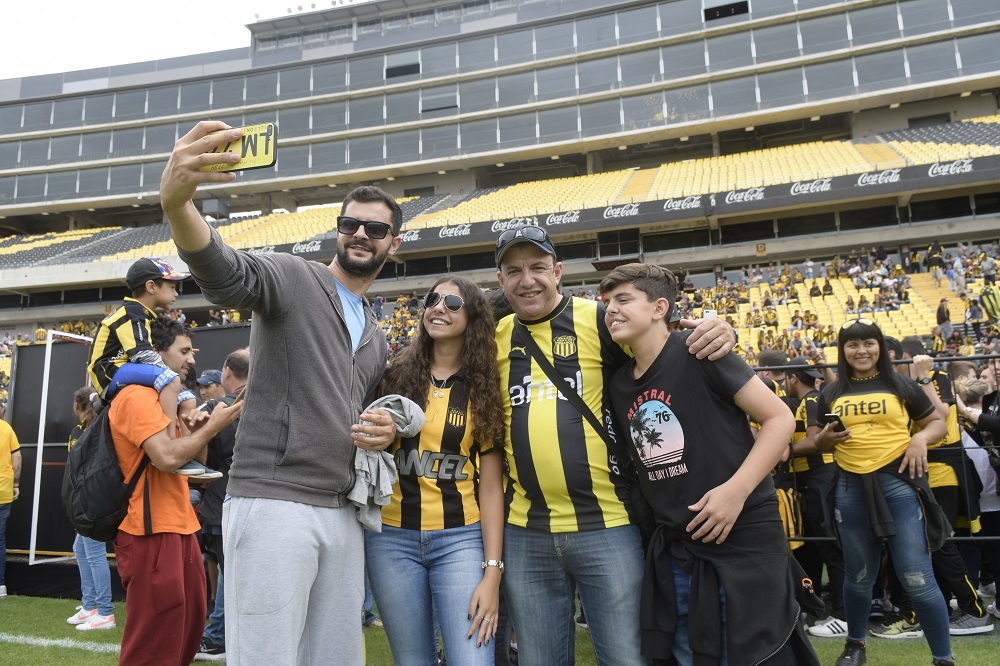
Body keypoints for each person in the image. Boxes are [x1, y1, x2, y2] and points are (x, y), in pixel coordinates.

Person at [161, 121, 399, 666]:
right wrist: (179, 206)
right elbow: (226, 273)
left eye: (375, 229)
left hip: (343, 510)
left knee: (336, 658)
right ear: (337, 230)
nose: (360, 234)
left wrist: (386, 429)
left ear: (393, 242)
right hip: (274, 502)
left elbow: (359, 411)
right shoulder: (294, 277)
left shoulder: (379, 337)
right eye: (350, 223)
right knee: (266, 657)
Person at [493, 226, 735, 665]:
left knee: (625, 658)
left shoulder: (598, 318)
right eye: (514, 271)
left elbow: (664, 353)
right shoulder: (493, 337)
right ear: (501, 280)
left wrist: (718, 330)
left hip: (607, 523)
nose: (527, 279)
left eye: (538, 268)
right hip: (525, 531)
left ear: (558, 272)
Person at [599, 263, 817, 665]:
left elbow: (780, 419)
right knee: (688, 653)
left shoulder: (700, 350)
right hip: (675, 544)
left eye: (623, 299)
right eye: (607, 302)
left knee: (758, 653)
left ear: (659, 307)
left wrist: (735, 492)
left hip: (742, 533)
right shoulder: (618, 383)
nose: (610, 309)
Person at [367, 276, 505, 665]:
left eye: (453, 303)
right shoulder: (393, 376)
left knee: (471, 659)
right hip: (390, 540)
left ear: (474, 317)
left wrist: (492, 574)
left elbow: (491, 489)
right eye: (432, 300)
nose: (438, 307)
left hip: (461, 540)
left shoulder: (485, 385)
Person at [814, 319, 954, 666]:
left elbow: (936, 422)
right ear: (842, 350)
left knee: (916, 575)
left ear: (880, 347)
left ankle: (944, 658)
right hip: (850, 486)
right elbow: (816, 440)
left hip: (899, 483)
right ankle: (855, 645)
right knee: (858, 575)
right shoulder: (830, 393)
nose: (861, 351)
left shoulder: (902, 385)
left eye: (868, 343)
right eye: (852, 344)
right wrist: (825, 440)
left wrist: (920, 438)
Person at [112, 316, 242, 665]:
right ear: (156, 353)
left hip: (180, 523)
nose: (192, 360)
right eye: (183, 351)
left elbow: (193, 466)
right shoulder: (137, 396)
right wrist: (212, 426)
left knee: (185, 632)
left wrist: (197, 429)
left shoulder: (166, 400)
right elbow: (167, 458)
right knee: (152, 642)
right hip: (148, 529)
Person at [88, 257, 217, 479]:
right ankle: (168, 445)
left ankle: (189, 458)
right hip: (111, 372)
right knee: (170, 380)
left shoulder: (144, 314)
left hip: (125, 369)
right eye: (172, 286)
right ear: (151, 286)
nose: (176, 293)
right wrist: (170, 372)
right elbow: (142, 354)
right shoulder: (132, 312)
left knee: (188, 399)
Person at [194, 348, 249, 663]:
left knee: (231, 574)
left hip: (222, 501)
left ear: (227, 372)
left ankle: (217, 637)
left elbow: (199, 456)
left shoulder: (218, 407)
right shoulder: (264, 400)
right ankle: (223, 635)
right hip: (251, 500)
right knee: (236, 573)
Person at [65, 387, 116, 631]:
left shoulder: (90, 430)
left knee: (93, 553)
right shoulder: (91, 428)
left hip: (91, 499)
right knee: (81, 549)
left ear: (77, 406)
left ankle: (104, 611)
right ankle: (90, 606)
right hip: (87, 498)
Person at [0, 418, 21, 598]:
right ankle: (0, 585)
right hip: (3, 490)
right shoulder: (6, 428)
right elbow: (17, 457)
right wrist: (16, 483)